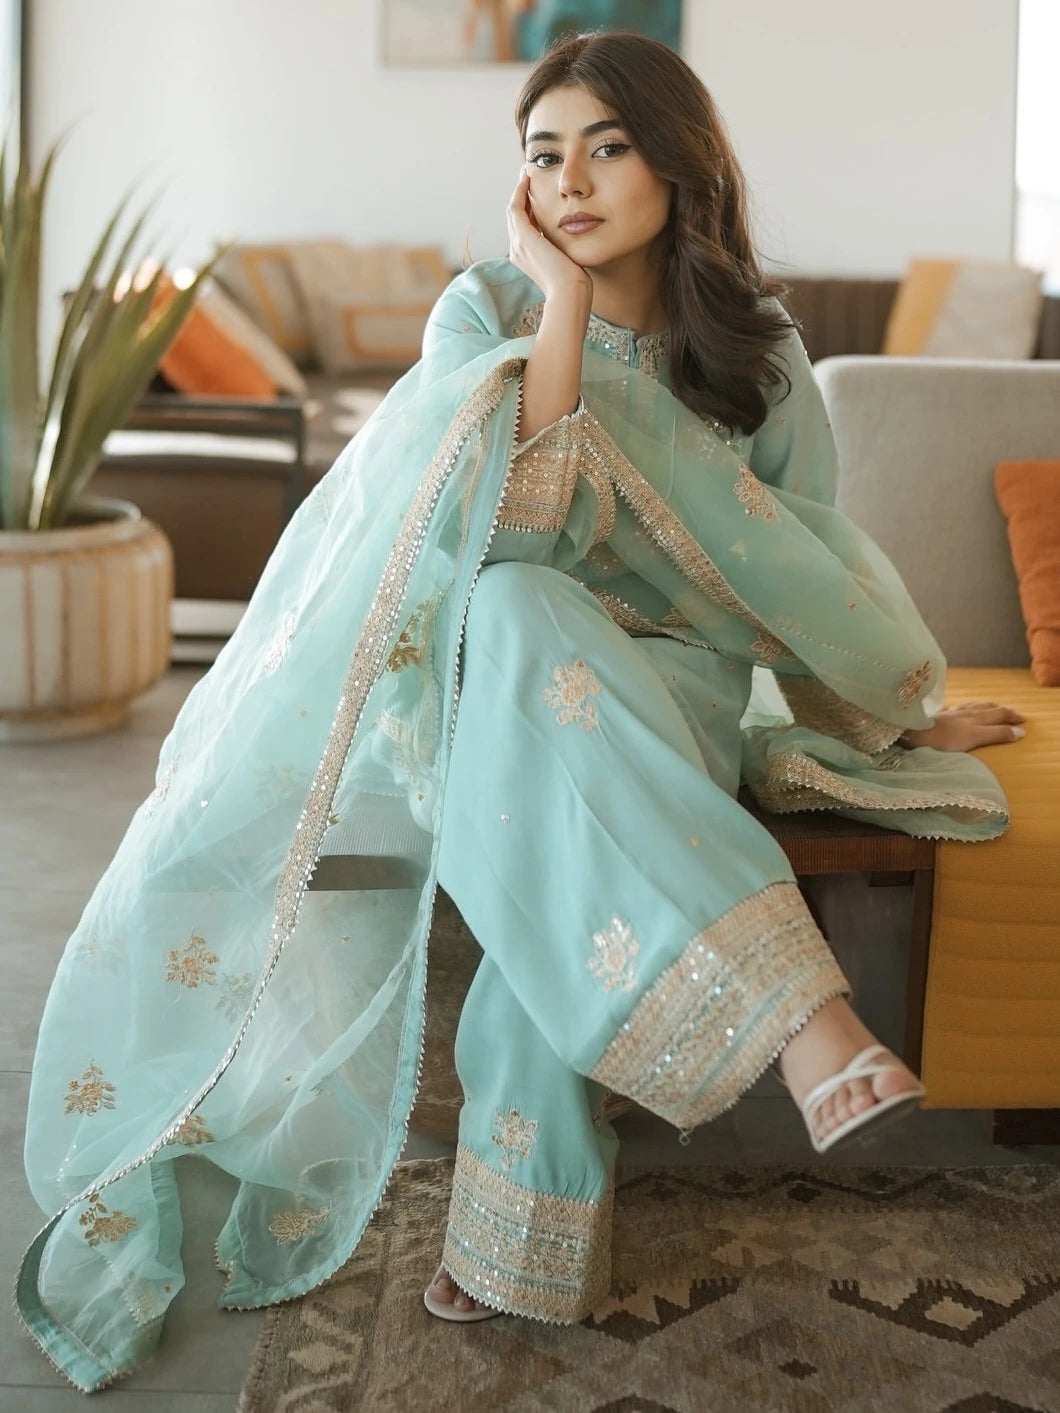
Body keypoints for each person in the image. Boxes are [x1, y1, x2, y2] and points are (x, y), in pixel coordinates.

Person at [19, 31, 1021, 1388]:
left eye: (608, 146)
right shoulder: (482, 314)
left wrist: (896, 715)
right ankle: (806, 1022)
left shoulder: (760, 350)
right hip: (488, 686)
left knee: (549, 769)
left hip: (668, 697)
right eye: (544, 153)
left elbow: (807, 564)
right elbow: (512, 518)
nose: (572, 179)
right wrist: (555, 299)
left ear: (680, 162)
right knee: (521, 610)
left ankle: (530, 1219)